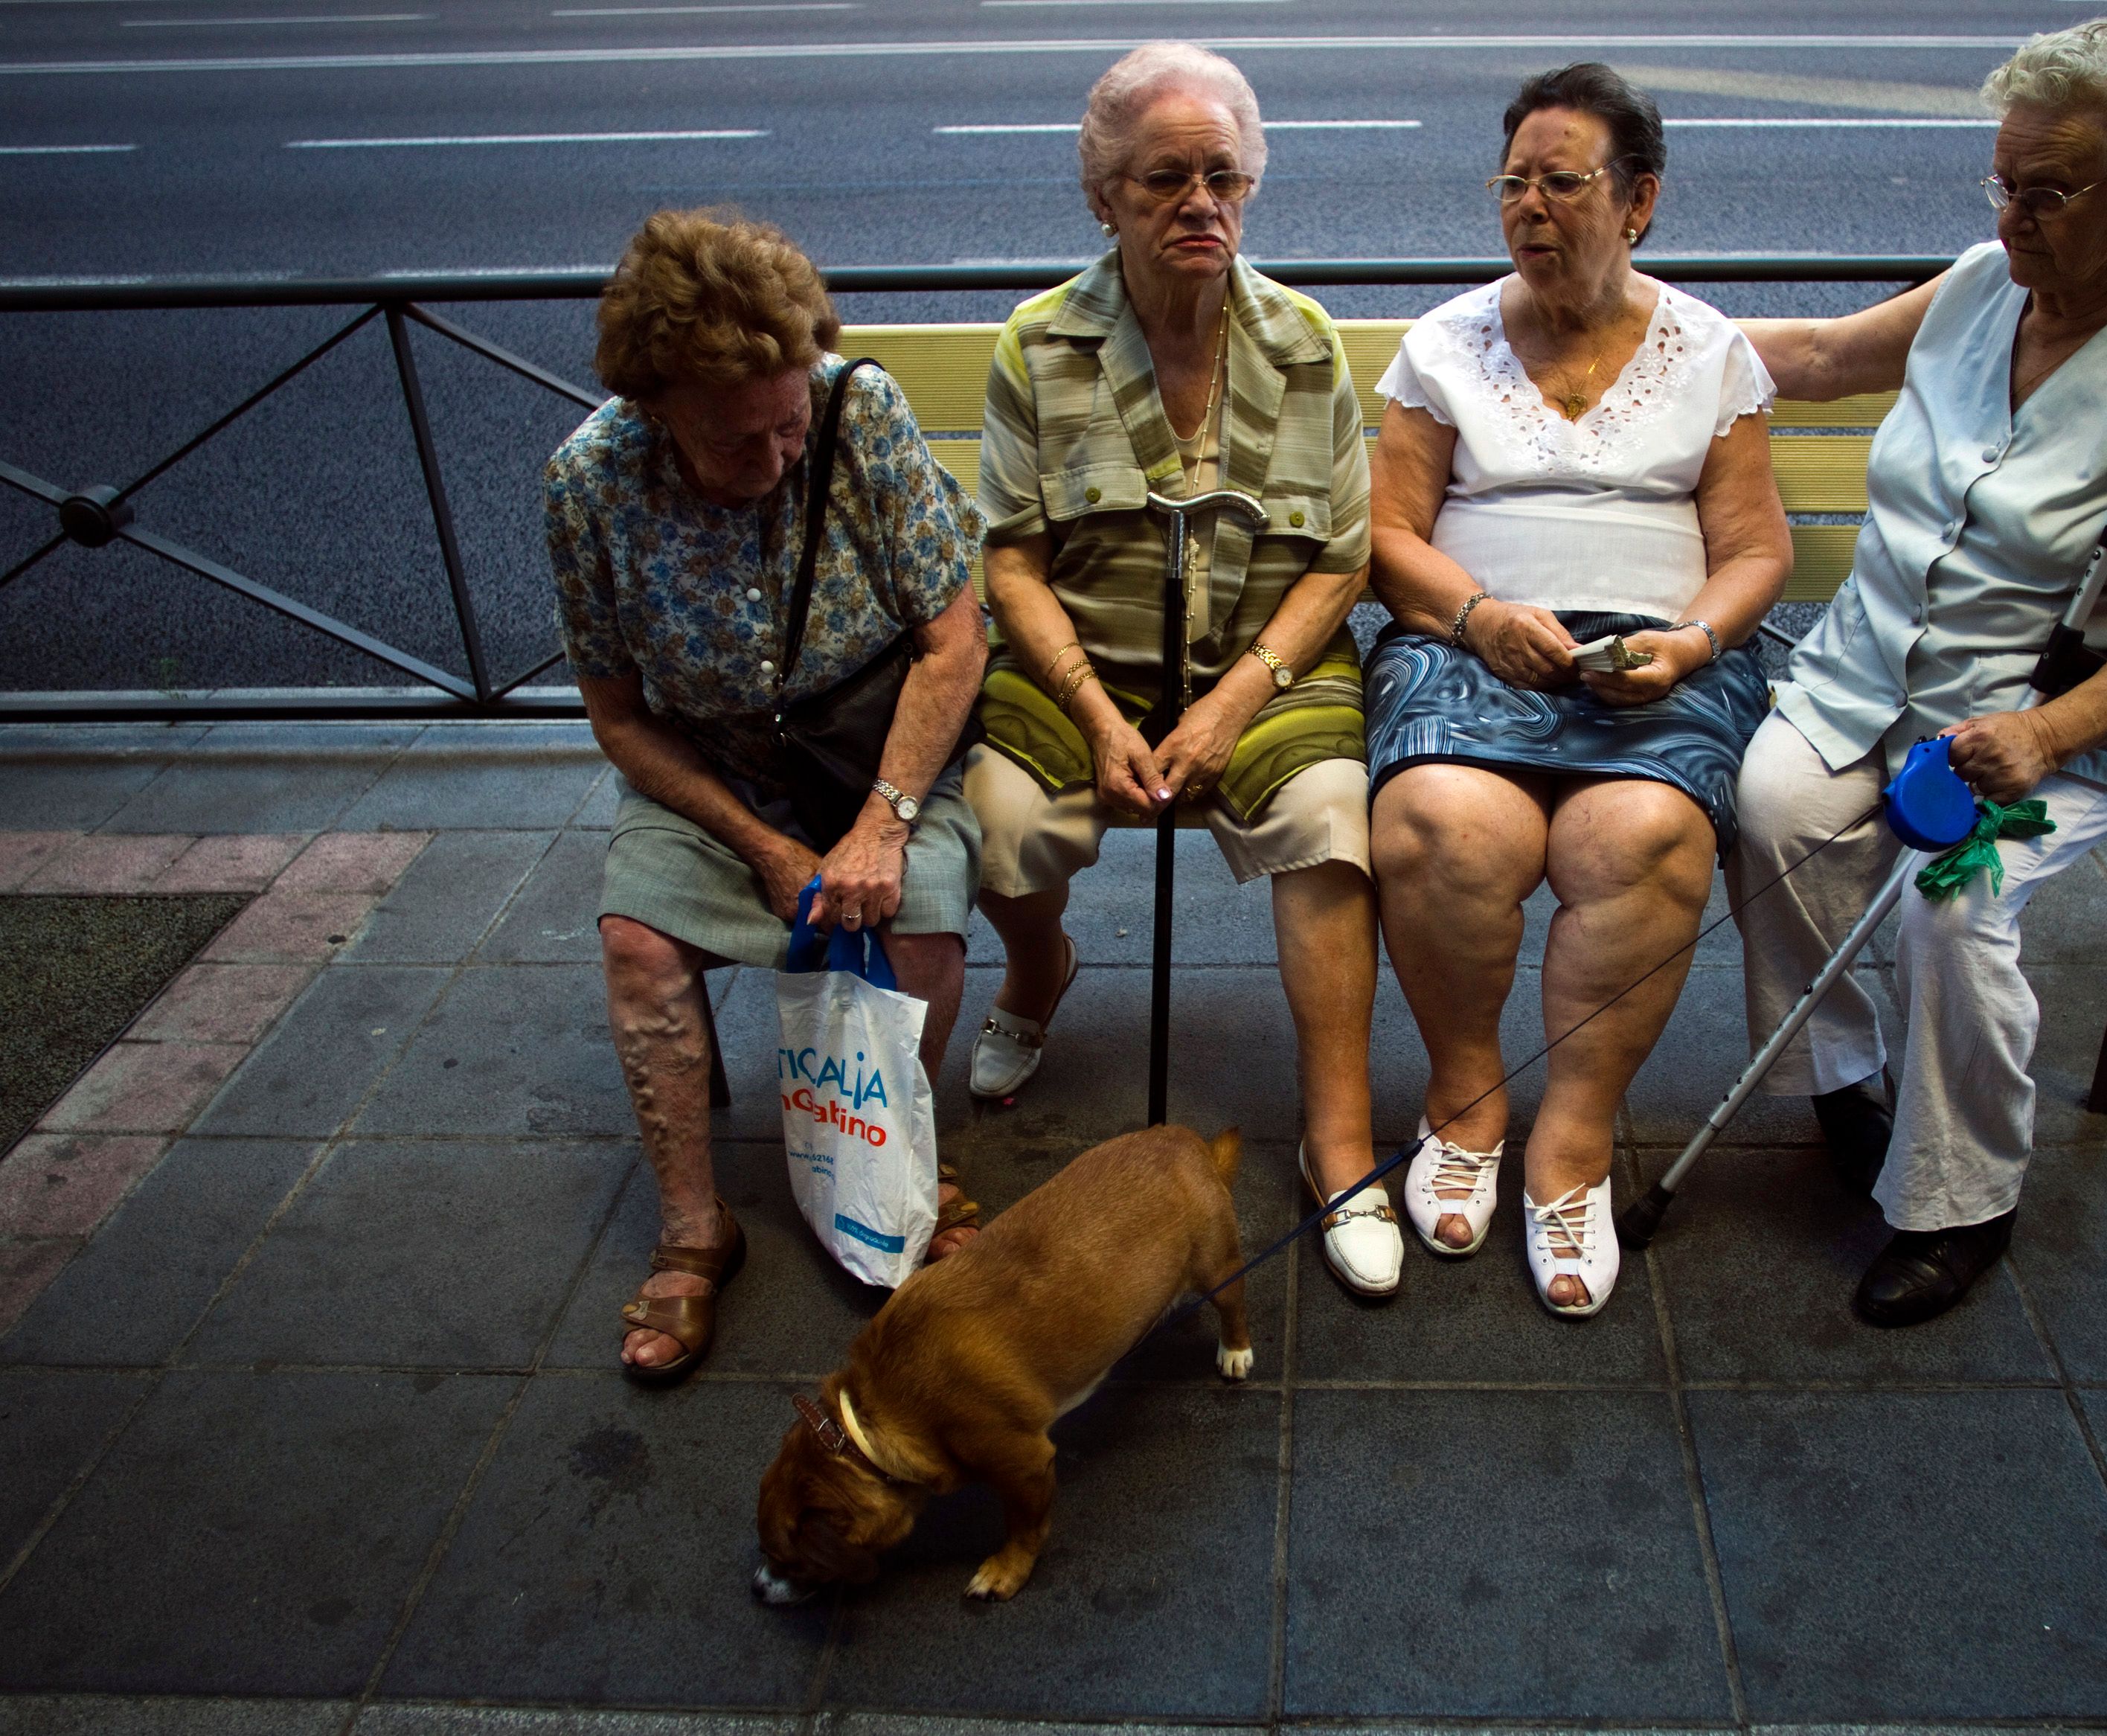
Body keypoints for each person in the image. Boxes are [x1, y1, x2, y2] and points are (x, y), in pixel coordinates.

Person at [1734, 17, 2107, 1327]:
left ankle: (1960, 1198)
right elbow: (1815, 360)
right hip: (1865, 679)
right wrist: (1620, 331)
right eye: (2004, 182)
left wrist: (2046, 736)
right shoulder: (1988, 282)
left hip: (2051, 725)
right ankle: (1846, 1078)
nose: (2016, 213)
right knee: (1769, 805)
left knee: (1950, 900)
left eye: (2050, 189)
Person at [968, 45, 1399, 1296]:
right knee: (996, 822)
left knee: (1329, 822)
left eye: (1224, 176)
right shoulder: (1040, 345)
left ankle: (1338, 1141)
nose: (1200, 203)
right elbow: (1010, 562)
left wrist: (1229, 702)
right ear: (1104, 196)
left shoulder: (1305, 343)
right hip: (1083, 663)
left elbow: (1342, 562)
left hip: (1268, 663)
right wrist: (1098, 712)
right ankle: (1039, 968)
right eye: (1164, 178)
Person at [1367, 63, 1793, 1318]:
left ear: (1639, 199)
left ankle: (1575, 1136)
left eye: (1563, 181)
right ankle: (1465, 1095)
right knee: (1446, 820)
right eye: (1513, 184)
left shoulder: (1709, 351)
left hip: (1657, 655)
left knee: (1648, 833)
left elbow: (1758, 548)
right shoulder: (1443, 345)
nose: (1530, 207)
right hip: (1470, 638)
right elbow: (1389, 535)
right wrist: (1479, 616)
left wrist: (1694, 643)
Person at [546, 209, 991, 1383]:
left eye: (791, 420)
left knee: (925, 924)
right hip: (713, 770)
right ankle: (698, 1223)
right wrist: (753, 841)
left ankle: (883, 1155)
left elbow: (954, 645)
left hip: (871, 752)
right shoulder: (590, 484)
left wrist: (882, 822)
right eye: (742, 442)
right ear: (657, 410)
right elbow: (619, 718)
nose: (781, 457)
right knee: (639, 943)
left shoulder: (860, 413)